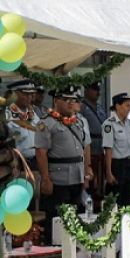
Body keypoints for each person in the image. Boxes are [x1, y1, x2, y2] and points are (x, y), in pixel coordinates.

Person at [36, 85, 92, 244]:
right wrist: (46, 179)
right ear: (56, 100)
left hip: (77, 174)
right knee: (56, 216)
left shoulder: (79, 121)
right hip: (58, 176)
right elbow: (41, 152)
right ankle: (53, 251)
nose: (70, 103)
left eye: (73, 100)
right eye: (65, 99)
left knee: (78, 214)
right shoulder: (46, 123)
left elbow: (85, 146)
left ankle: (76, 250)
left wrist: (87, 170)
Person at [102, 92, 130, 207]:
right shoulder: (109, 124)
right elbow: (108, 149)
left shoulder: (129, 123)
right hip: (116, 165)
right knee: (115, 200)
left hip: (128, 164)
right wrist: (108, 172)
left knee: (126, 200)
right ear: (117, 106)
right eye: (127, 105)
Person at [81, 81, 108, 209]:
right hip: (89, 148)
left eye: (98, 90)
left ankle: (98, 206)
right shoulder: (81, 107)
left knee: (100, 184)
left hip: (101, 147)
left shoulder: (100, 107)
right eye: (94, 89)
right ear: (86, 90)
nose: (97, 92)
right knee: (90, 182)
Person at [5, 79, 40, 169]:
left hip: (37, 161)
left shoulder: (33, 113)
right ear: (14, 94)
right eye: (26, 94)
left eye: (31, 94)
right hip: (19, 164)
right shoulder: (6, 114)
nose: (29, 97)